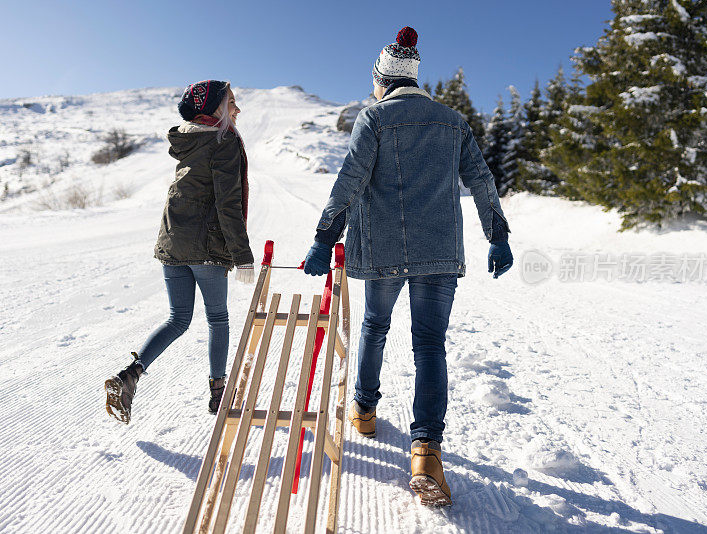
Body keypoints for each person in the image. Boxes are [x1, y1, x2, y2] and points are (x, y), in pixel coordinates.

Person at [303, 27, 513, 506]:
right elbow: (481, 180)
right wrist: (497, 237)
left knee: (375, 326)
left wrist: (324, 237)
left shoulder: (374, 117)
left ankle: (365, 411)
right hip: (438, 252)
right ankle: (426, 453)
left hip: (384, 251)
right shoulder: (452, 120)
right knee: (430, 346)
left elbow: (350, 180)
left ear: (382, 79)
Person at [105, 80, 254, 425]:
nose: (237, 109)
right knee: (217, 319)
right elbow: (227, 203)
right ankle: (219, 394)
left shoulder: (188, 140)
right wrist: (242, 254)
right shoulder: (223, 140)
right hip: (206, 248)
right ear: (215, 107)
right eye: (231, 102)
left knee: (178, 319)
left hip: (173, 243)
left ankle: (130, 375)